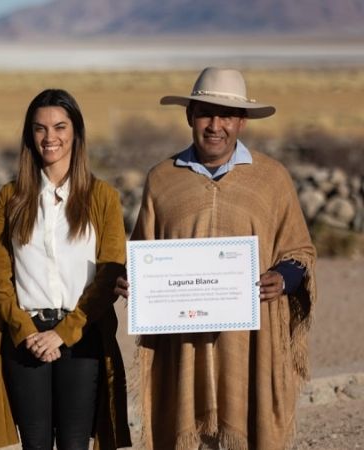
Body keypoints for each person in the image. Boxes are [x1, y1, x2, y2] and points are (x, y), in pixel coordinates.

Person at [115, 67, 317, 450]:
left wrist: (284, 277)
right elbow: (143, 249)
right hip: (181, 341)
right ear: (189, 115)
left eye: (226, 115)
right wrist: (133, 279)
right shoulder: (162, 179)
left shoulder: (271, 179)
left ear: (241, 122)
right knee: (183, 429)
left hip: (250, 340)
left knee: (249, 425)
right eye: (206, 113)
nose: (215, 125)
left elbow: (299, 250)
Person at [0, 89, 131, 450]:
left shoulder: (102, 197)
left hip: (82, 335)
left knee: (76, 443)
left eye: (60, 127)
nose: (50, 137)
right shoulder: (11, 196)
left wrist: (63, 333)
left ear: (76, 132)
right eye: (40, 128)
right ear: (30, 134)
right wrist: (26, 330)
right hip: (25, 336)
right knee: (36, 443)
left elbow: (110, 274)